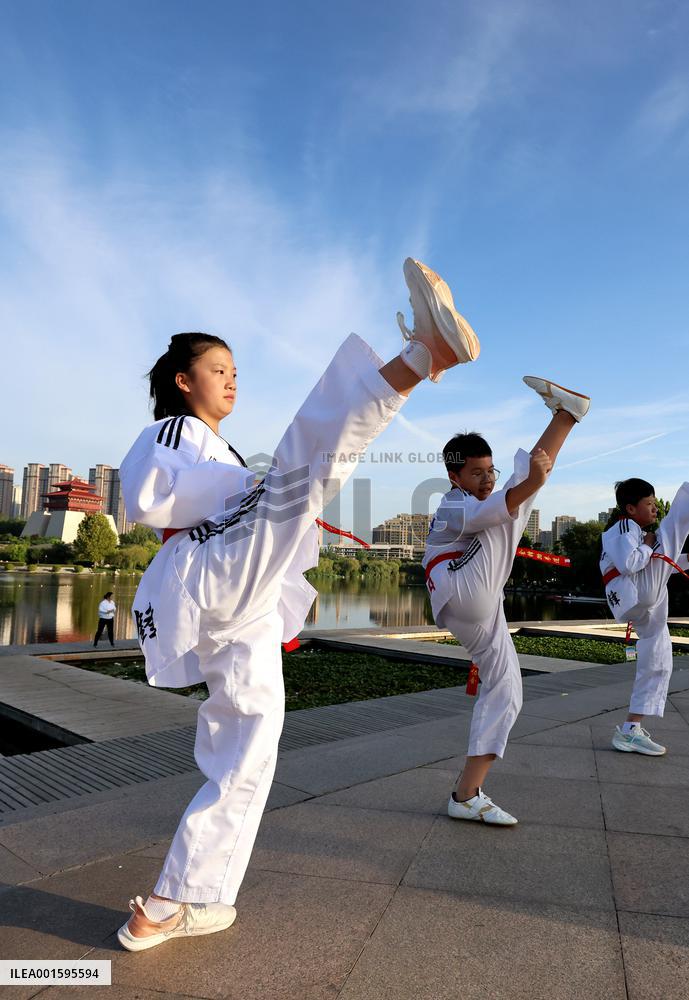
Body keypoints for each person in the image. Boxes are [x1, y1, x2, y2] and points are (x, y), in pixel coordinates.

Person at [115, 257, 481, 951]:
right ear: (181, 381)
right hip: (208, 568)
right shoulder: (171, 431)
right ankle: (421, 354)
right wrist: (255, 494)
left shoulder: (218, 448)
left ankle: (180, 900)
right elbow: (148, 494)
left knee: (250, 746)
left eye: (233, 369)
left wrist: (257, 495)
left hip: (240, 595)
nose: (230, 379)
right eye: (216, 369)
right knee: (304, 462)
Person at [423, 377, 590, 826]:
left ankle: (466, 793)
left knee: (508, 689)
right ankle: (566, 417)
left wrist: (523, 486)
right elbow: (494, 510)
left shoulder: (472, 500)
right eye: (476, 473)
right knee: (512, 503)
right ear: (454, 476)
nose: (485, 479)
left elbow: (499, 505)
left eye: (489, 471)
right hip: (462, 587)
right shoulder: (451, 504)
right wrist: (529, 482)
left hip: (479, 600)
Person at [600, 477, 689, 755]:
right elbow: (630, 563)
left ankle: (631, 729)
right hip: (636, 593)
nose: (654, 509)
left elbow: (653, 563)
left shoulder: (634, 533)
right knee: (671, 530)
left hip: (640, 598)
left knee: (659, 659)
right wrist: (650, 543)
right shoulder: (625, 527)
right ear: (629, 509)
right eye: (649, 504)